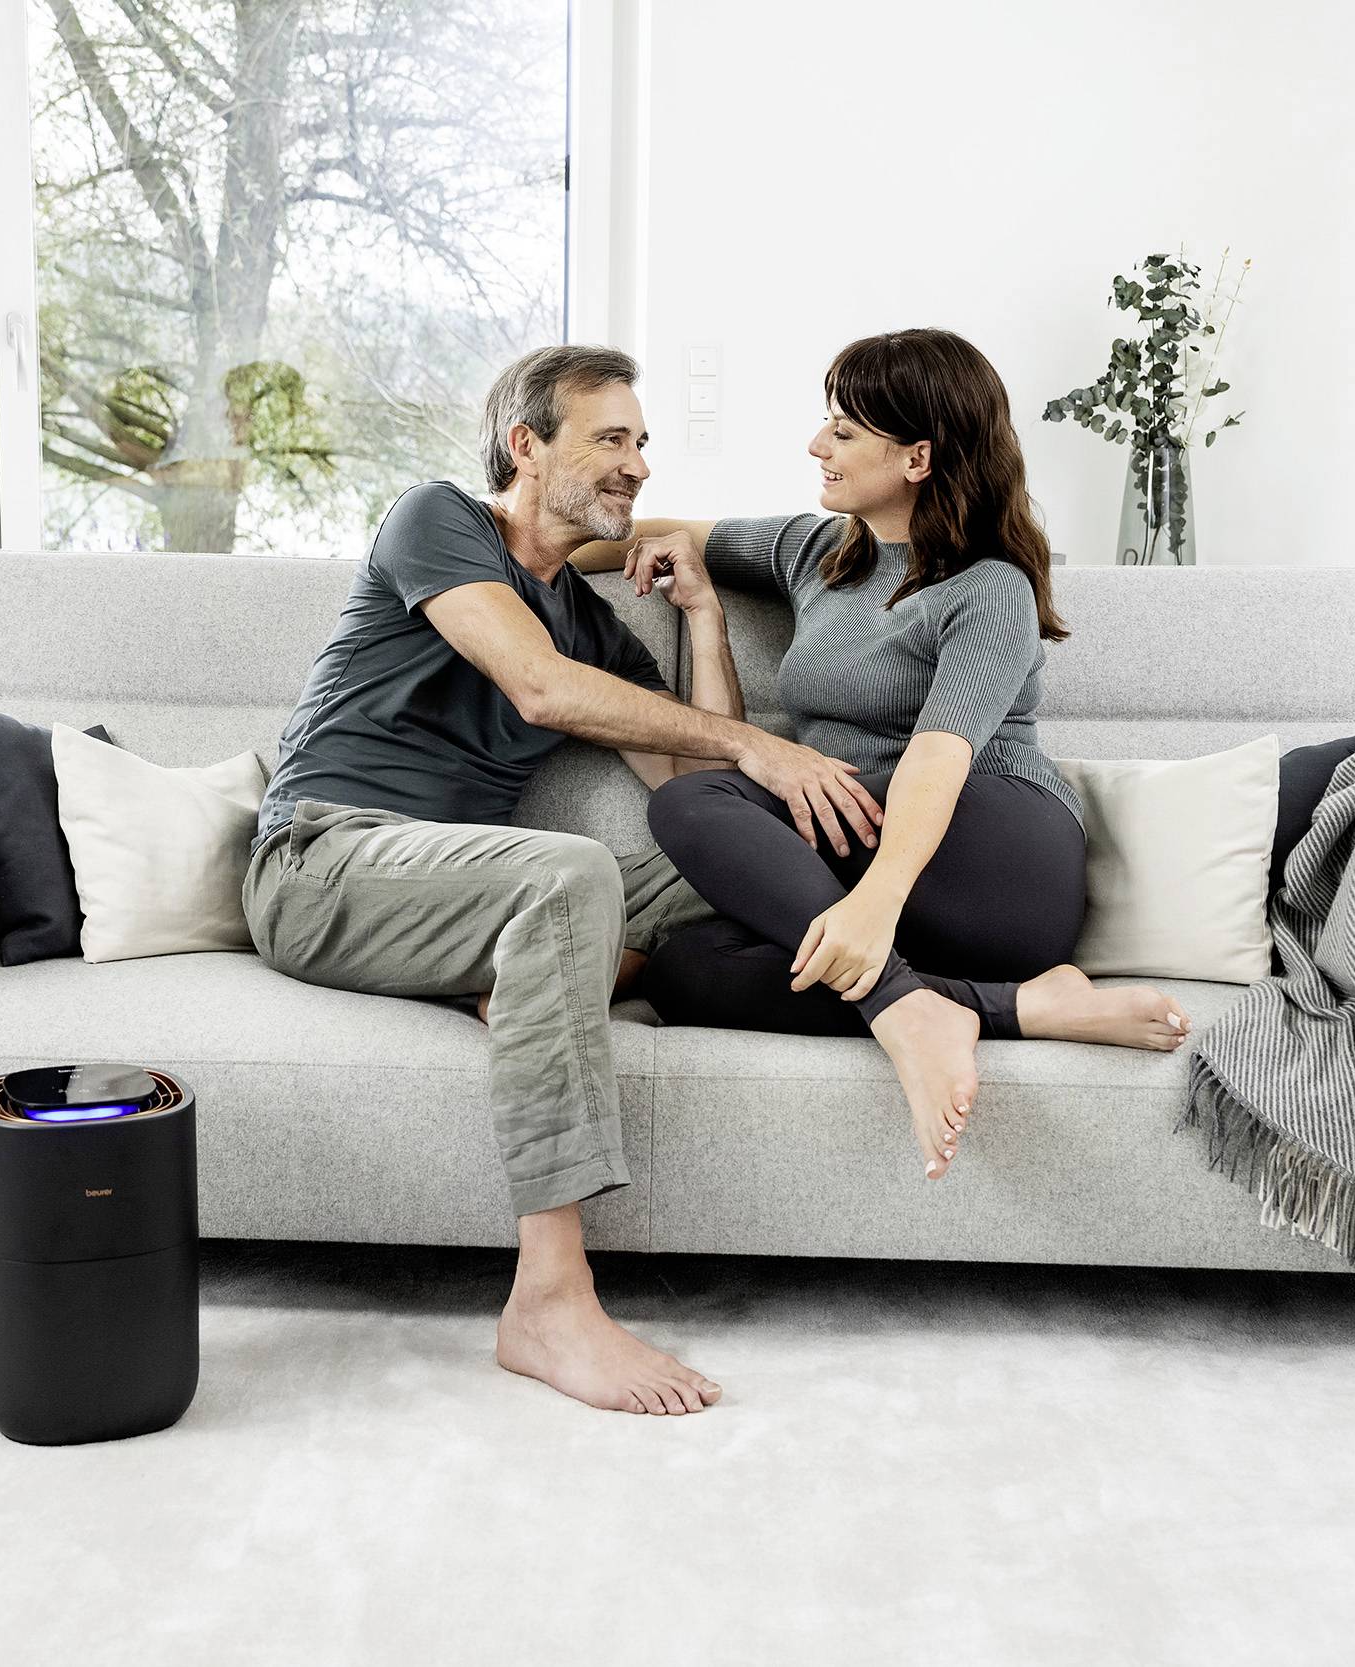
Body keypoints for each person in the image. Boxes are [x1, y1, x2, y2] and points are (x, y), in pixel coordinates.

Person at [245, 344, 949, 1417]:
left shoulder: (592, 625)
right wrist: (762, 749)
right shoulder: (435, 519)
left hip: (457, 896)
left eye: (642, 443)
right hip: (324, 859)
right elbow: (534, 688)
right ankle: (549, 1299)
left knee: (724, 856)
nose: (638, 468)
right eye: (610, 439)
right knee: (567, 874)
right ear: (526, 446)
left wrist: (705, 618)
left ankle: (531, 986)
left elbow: (687, 784)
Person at [572, 328, 1194, 1183]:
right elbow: (646, 533)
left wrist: (874, 900)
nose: (817, 445)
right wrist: (527, 549)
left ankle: (902, 995)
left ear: (918, 457)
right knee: (689, 972)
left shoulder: (989, 588)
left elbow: (939, 758)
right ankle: (999, 1008)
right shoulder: (812, 551)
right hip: (867, 857)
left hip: (989, 854)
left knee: (688, 803)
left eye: (845, 431)